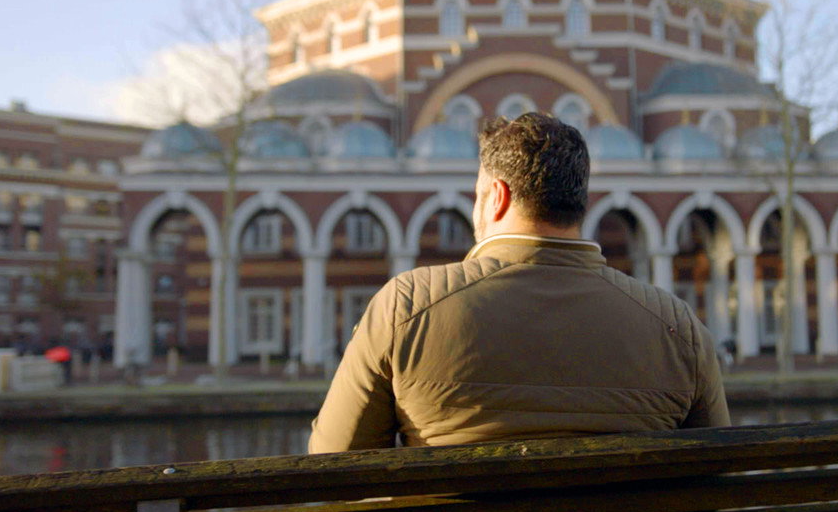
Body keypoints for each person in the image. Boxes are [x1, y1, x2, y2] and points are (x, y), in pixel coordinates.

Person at [308, 113, 728, 453]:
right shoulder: (677, 326)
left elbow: (334, 463)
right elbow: (715, 481)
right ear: (578, 203)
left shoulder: (406, 306)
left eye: (477, 196)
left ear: (497, 196)